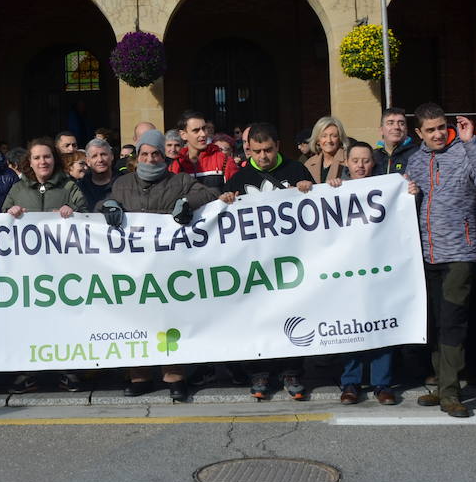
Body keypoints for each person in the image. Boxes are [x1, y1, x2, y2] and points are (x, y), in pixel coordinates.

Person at [99, 129, 233, 400]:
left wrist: (187, 202)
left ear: (163, 156)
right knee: (136, 317)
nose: (150, 158)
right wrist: (108, 204)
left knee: (169, 317)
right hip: (134, 265)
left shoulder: (180, 180)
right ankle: (140, 375)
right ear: (137, 157)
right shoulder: (123, 183)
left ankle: (174, 375)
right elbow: (104, 203)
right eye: (144, 154)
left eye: (155, 153)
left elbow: (209, 194)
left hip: (169, 265)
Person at [405, 104, 476, 418]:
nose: (437, 134)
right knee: (434, 322)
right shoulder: (415, 160)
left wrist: (471, 140)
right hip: (423, 253)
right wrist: (407, 192)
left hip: (459, 252)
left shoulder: (465, 151)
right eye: (430, 129)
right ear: (418, 133)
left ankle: (450, 391)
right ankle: (442, 384)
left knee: (452, 321)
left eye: (441, 127)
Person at [222, 122, 315, 400]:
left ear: (278, 146)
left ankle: (291, 370)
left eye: (269, 150)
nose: (263, 156)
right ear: (249, 149)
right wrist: (225, 198)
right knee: (258, 317)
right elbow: (222, 215)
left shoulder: (296, 170)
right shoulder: (240, 178)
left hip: (291, 261)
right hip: (256, 265)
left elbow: (320, 209)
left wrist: (309, 188)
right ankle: (259, 371)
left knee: (291, 313)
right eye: (258, 151)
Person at [3, 138, 90, 394]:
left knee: (64, 318)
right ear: (29, 162)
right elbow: (2, 216)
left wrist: (71, 209)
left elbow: (85, 213)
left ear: (55, 159)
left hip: (63, 269)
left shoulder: (68, 185)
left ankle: (68, 370)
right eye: (37, 158)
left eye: (47, 157)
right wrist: (11, 211)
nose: (43, 162)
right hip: (28, 270)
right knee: (30, 320)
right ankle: (29, 372)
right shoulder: (19, 188)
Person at [329, 141, 410, 406]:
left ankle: (382, 384)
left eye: (365, 160)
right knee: (350, 325)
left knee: (380, 321)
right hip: (347, 270)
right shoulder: (333, 190)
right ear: (347, 163)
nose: (361, 165)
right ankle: (350, 382)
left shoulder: (386, 188)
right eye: (355, 161)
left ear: (372, 163)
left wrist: (410, 191)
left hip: (378, 267)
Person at [172, 110, 239, 191]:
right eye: (196, 130)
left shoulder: (224, 161)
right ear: (183, 135)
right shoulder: (176, 165)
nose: (203, 134)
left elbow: (236, 196)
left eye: (204, 128)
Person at [303, 116, 349, 184]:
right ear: (318, 140)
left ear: (340, 139)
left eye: (334, 136)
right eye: (324, 136)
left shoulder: (349, 160)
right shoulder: (309, 164)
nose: (329, 140)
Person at [373, 107, 417, 175]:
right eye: (390, 123)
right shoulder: (373, 157)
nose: (396, 127)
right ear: (381, 130)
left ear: (406, 129)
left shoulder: (416, 155)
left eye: (401, 123)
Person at [78, 138, 118, 209]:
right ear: (88, 161)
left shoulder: (125, 183)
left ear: (112, 156)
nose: (100, 160)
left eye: (103, 154)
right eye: (94, 156)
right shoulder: (80, 187)